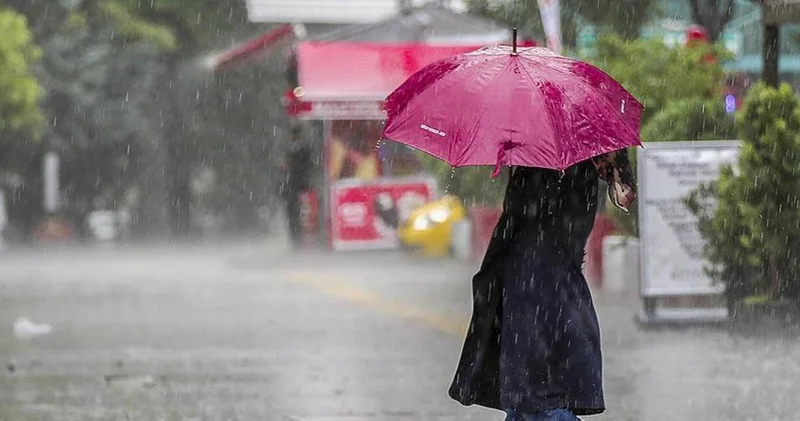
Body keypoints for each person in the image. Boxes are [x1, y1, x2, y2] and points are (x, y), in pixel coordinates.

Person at [448, 149, 636, 421]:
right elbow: (624, 196)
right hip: (540, 268)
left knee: (536, 392)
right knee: (537, 390)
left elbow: (623, 195)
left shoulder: (535, 135)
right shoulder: (584, 138)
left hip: (538, 267)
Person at [282, 125, 312, 248]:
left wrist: (290, 167)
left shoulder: (298, 149)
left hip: (298, 186)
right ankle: (297, 238)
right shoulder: (300, 148)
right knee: (297, 213)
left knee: (296, 213)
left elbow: (300, 166)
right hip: (299, 186)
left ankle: (297, 239)